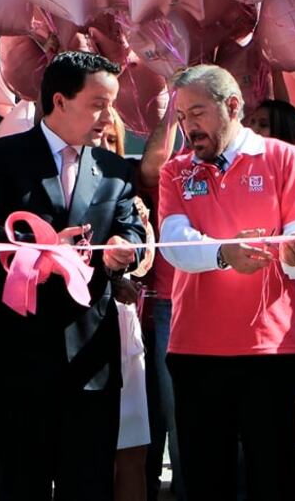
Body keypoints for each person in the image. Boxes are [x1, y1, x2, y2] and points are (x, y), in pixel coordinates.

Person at [0, 51, 146, 501]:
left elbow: (132, 230)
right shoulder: (1, 158)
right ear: (59, 101)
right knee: (18, 481)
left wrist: (122, 252)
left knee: (89, 482)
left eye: (111, 104)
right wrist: (38, 250)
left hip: (91, 356)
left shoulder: (115, 170)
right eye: (98, 103)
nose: (108, 117)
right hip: (19, 352)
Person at [158, 64, 295, 501]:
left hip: (270, 350)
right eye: (182, 118)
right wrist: (224, 253)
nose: (189, 127)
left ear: (232, 107)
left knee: (274, 479)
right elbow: (173, 244)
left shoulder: (285, 158)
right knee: (206, 481)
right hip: (194, 350)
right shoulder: (175, 171)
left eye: (198, 114)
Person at [101, 114, 151, 501]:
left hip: (123, 328)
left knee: (131, 445)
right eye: (96, 136)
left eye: (110, 139)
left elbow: (143, 260)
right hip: (78, 327)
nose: (102, 145)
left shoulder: (128, 197)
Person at [136, 115, 185, 501]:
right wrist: (172, 101)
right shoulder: (170, 172)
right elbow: (154, 166)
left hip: (190, 307)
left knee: (185, 423)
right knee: (151, 425)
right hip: (155, 309)